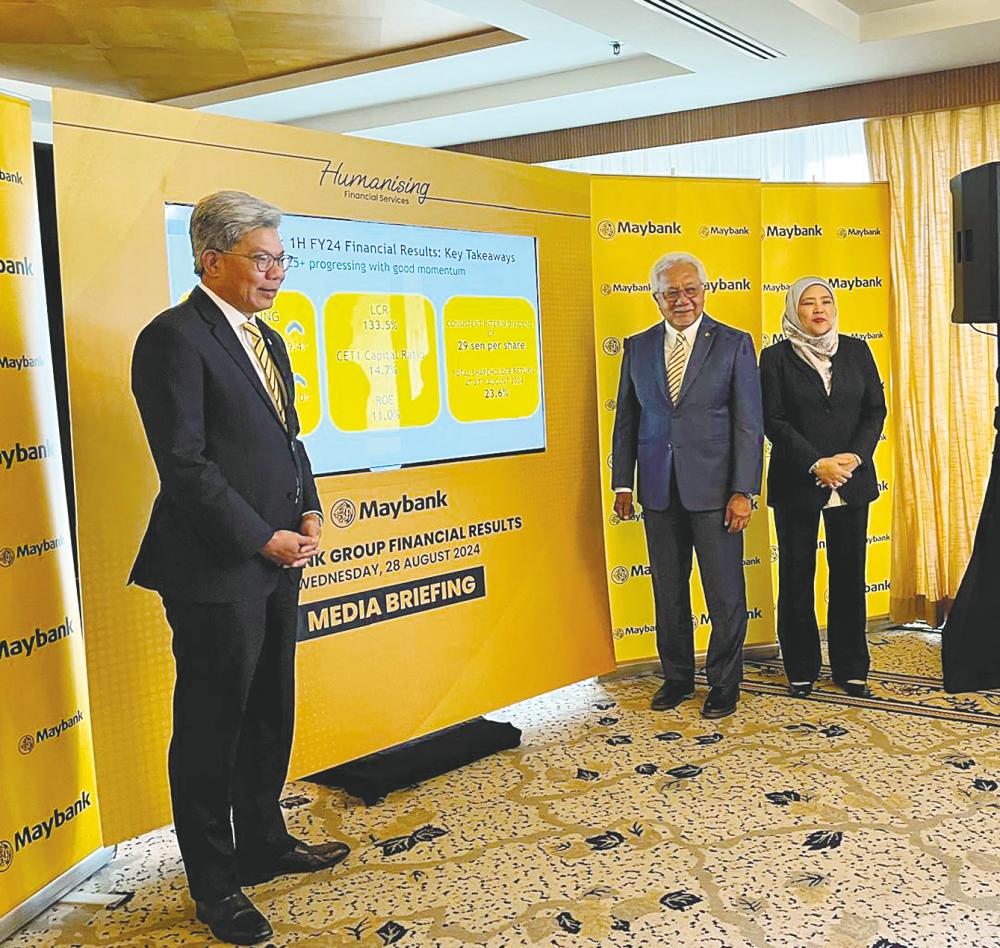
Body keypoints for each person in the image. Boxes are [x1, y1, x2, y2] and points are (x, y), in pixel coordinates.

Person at [130, 191, 349, 945]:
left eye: (282, 258)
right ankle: (215, 886)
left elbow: (291, 441)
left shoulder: (270, 339)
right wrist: (262, 537)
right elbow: (184, 466)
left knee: (268, 711)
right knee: (210, 726)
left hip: (279, 557)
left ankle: (262, 842)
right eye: (263, 258)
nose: (276, 272)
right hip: (215, 569)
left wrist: (309, 509)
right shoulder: (171, 339)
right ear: (211, 258)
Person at [611, 252, 763, 720]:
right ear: (656, 298)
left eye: (691, 289)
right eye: (672, 292)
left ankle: (723, 685)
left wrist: (744, 490)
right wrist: (622, 482)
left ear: (704, 291)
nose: (683, 299)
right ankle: (677, 678)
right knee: (669, 592)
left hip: (717, 493)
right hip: (657, 491)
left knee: (725, 595)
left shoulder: (735, 344)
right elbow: (627, 421)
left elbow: (747, 423)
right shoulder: (637, 347)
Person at [759, 277, 887, 699]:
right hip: (799, 480)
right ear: (794, 310)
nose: (819, 310)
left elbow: (874, 409)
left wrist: (854, 457)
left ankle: (851, 666)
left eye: (826, 301)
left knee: (849, 575)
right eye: (808, 303)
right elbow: (773, 419)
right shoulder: (775, 358)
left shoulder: (857, 350)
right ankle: (800, 667)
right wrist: (817, 463)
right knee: (797, 575)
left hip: (851, 479)